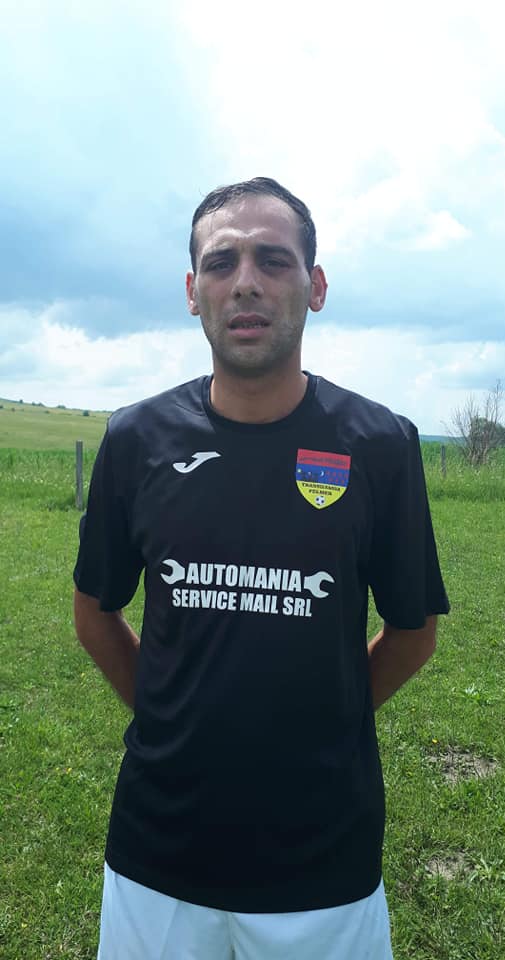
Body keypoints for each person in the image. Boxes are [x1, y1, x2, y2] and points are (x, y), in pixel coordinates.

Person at [74, 176, 449, 960]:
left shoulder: (379, 444)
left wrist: (327, 719)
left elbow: (412, 633)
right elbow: (95, 612)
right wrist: (170, 719)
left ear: (316, 286)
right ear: (192, 292)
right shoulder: (136, 439)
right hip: (156, 854)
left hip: (323, 858)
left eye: (273, 260)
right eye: (221, 262)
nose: (245, 281)